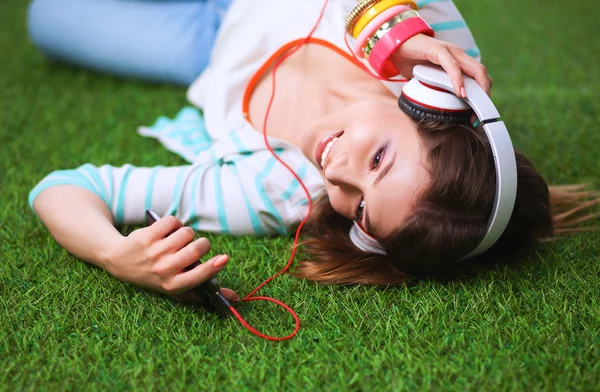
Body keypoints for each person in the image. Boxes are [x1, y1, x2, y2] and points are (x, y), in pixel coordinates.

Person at [27, 0, 598, 303]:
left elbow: (66, 187)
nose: (338, 174)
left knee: (49, 16)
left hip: (204, 39)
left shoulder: (280, 193)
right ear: (428, 105)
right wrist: (393, 33)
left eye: (361, 209)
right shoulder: (434, 55)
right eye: (378, 161)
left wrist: (114, 253)